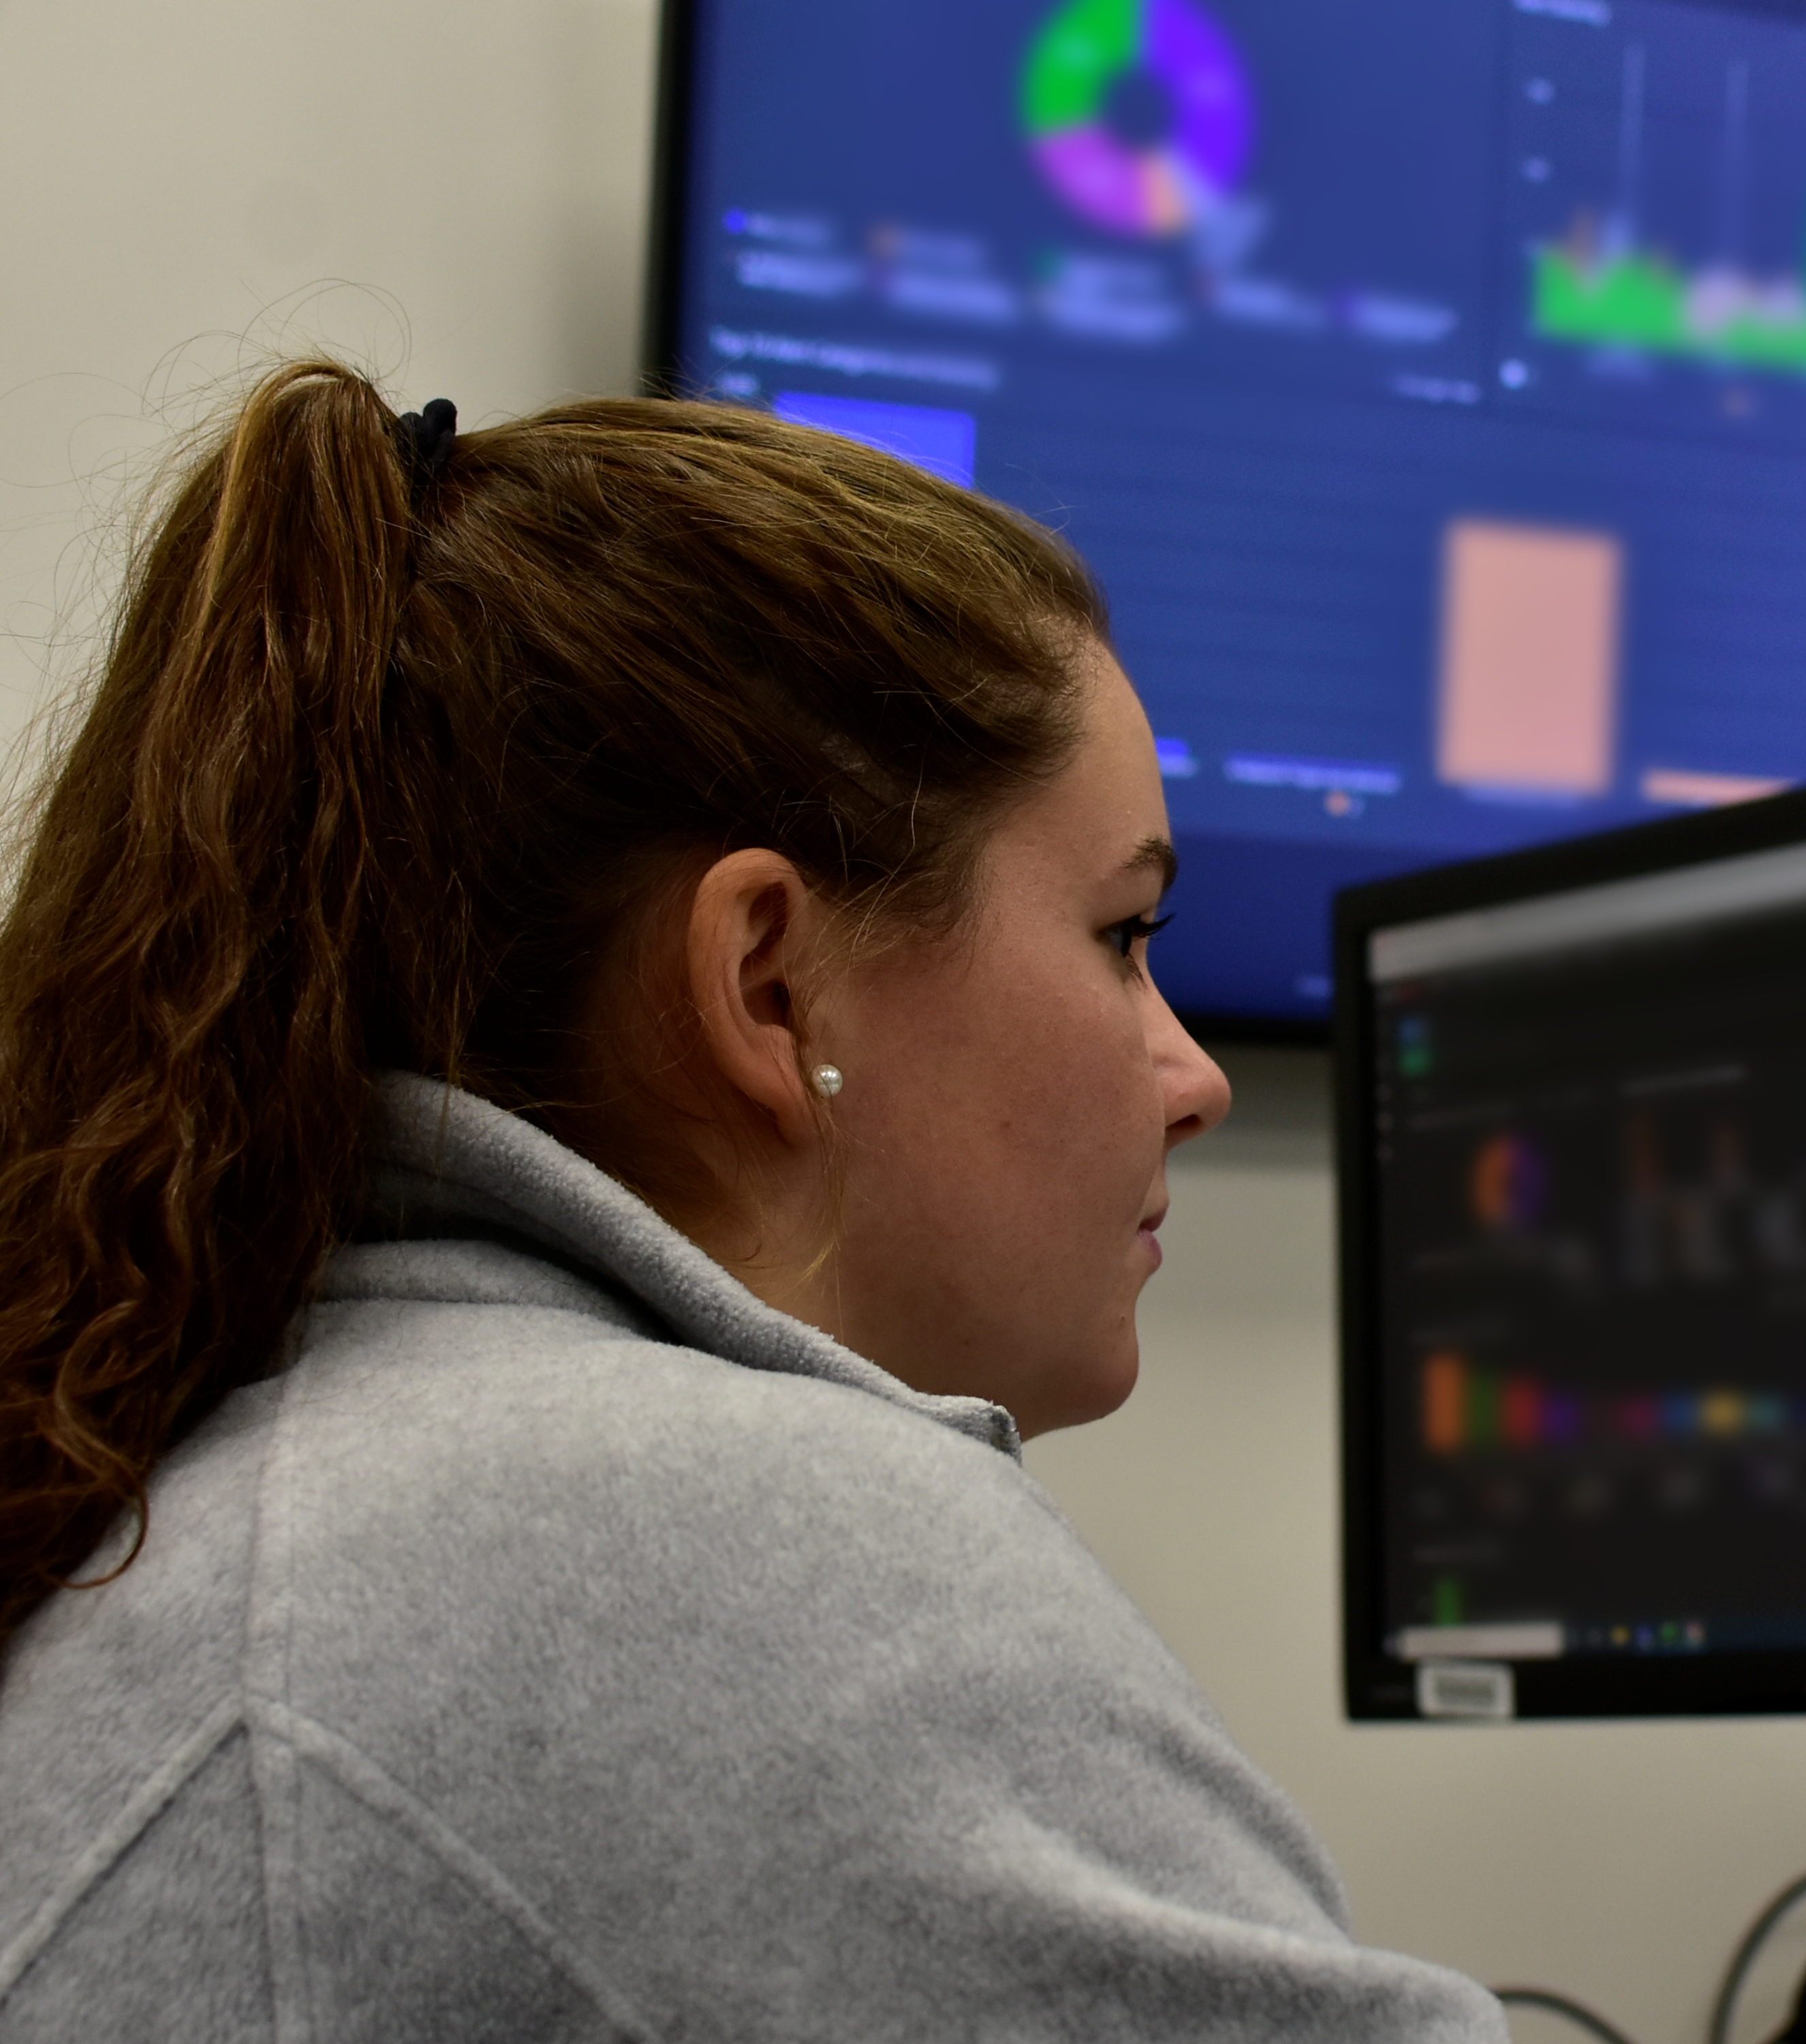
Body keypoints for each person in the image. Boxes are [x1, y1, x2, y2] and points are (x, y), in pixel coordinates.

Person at [0, 362, 1508, 2042]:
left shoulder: (285, 1445)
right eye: (1122, 938)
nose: (1194, 1077)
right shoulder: (699, 1537)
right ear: (770, 984)